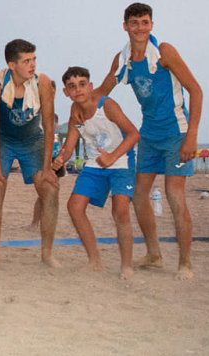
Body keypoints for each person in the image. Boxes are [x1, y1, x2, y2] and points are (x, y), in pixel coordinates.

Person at [94, 2, 202, 280]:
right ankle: (153, 253)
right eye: (134, 23)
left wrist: (191, 136)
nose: (139, 28)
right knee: (139, 195)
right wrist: (77, 100)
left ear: (151, 24)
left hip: (176, 133)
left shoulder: (165, 52)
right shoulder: (124, 59)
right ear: (125, 26)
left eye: (144, 22)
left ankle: (185, 263)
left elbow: (196, 91)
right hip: (149, 134)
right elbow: (102, 91)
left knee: (174, 195)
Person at [53, 66, 139, 279]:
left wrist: (112, 157)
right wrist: (60, 159)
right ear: (66, 92)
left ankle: (126, 265)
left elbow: (133, 134)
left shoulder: (107, 106)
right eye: (72, 87)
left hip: (121, 162)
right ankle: (94, 260)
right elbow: (70, 146)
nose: (78, 90)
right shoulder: (75, 112)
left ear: (90, 86)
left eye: (82, 84)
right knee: (74, 206)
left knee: (120, 210)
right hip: (94, 164)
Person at [0, 39, 59, 269]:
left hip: (31, 140)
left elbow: (48, 127)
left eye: (34, 59)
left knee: (50, 190)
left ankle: (47, 254)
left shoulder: (42, 83)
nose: (32, 65)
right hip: (4, 139)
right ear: (12, 64)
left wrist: (47, 168)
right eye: (27, 61)